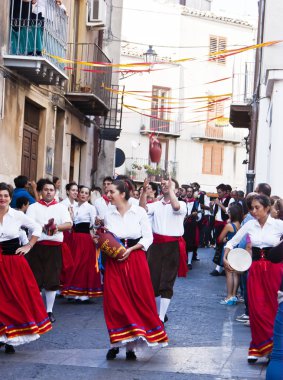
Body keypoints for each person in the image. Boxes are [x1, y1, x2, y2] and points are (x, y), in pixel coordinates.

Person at [102, 180, 168, 360]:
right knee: (114, 302)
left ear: (122, 193)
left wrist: (130, 250)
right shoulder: (109, 212)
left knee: (135, 300)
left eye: (111, 192)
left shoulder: (139, 211)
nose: (108, 195)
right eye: (107, 192)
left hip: (135, 258)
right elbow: (106, 235)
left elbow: (148, 237)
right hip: (115, 260)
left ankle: (130, 347)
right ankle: (115, 343)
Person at [223, 195, 283, 363]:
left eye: (257, 207)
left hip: (275, 270)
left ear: (267, 207)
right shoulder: (249, 224)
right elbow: (231, 242)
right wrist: (226, 257)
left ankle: (274, 348)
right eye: (252, 208)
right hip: (255, 269)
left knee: (273, 307)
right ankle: (257, 347)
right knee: (256, 309)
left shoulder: (278, 225)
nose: (254, 211)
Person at [0, 182, 52, 354]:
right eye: (0, 195)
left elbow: (37, 227)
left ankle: (11, 339)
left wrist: (29, 245)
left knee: (14, 298)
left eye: (5, 195)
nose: (2, 198)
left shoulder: (17, 215)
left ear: (10, 197)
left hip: (13, 262)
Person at [140, 178, 187, 323]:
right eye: (163, 185)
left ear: (176, 190)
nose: (164, 186)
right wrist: (143, 192)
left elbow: (176, 207)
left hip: (172, 245)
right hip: (156, 245)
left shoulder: (183, 204)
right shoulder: (156, 204)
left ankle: (161, 317)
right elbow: (142, 210)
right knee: (152, 280)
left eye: (168, 185)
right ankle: (157, 313)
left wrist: (171, 189)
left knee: (167, 281)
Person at [26, 179, 73, 323]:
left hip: (54, 247)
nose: (48, 192)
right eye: (46, 190)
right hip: (36, 247)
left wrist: (56, 227)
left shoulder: (61, 207)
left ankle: (49, 311)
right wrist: (44, 227)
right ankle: (36, 311)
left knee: (52, 280)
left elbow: (69, 224)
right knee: (35, 279)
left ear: (55, 192)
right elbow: (28, 224)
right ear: (40, 192)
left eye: (51, 190)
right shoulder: (33, 207)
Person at [62, 186, 102, 302]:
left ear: (89, 196)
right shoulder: (73, 206)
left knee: (85, 264)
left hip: (85, 238)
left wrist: (97, 223)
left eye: (86, 193)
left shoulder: (90, 208)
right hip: (74, 238)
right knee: (74, 263)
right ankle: (76, 291)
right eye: (82, 192)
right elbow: (71, 223)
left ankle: (85, 292)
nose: (83, 195)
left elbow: (94, 225)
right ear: (78, 194)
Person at [218, 205, 243, 305]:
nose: (228, 214)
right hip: (238, 251)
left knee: (229, 274)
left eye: (229, 212)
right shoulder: (241, 225)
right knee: (236, 274)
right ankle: (234, 295)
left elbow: (220, 239)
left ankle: (229, 296)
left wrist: (226, 239)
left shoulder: (229, 226)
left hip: (229, 251)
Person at [210, 184, 235, 276]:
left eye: (220, 192)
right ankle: (221, 267)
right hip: (218, 224)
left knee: (223, 245)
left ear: (225, 192)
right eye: (218, 192)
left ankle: (219, 268)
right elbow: (214, 212)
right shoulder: (219, 200)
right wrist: (212, 206)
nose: (218, 194)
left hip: (225, 224)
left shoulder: (230, 199)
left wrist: (219, 204)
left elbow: (229, 212)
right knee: (219, 245)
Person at [183, 186, 202, 269]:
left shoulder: (196, 203)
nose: (189, 193)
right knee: (182, 243)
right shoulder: (182, 202)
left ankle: (189, 262)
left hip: (191, 226)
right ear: (186, 192)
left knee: (190, 244)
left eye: (191, 191)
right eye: (188, 191)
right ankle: (183, 261)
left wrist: (196, 215)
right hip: (183, 225)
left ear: (192, 193)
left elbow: (200, 216)